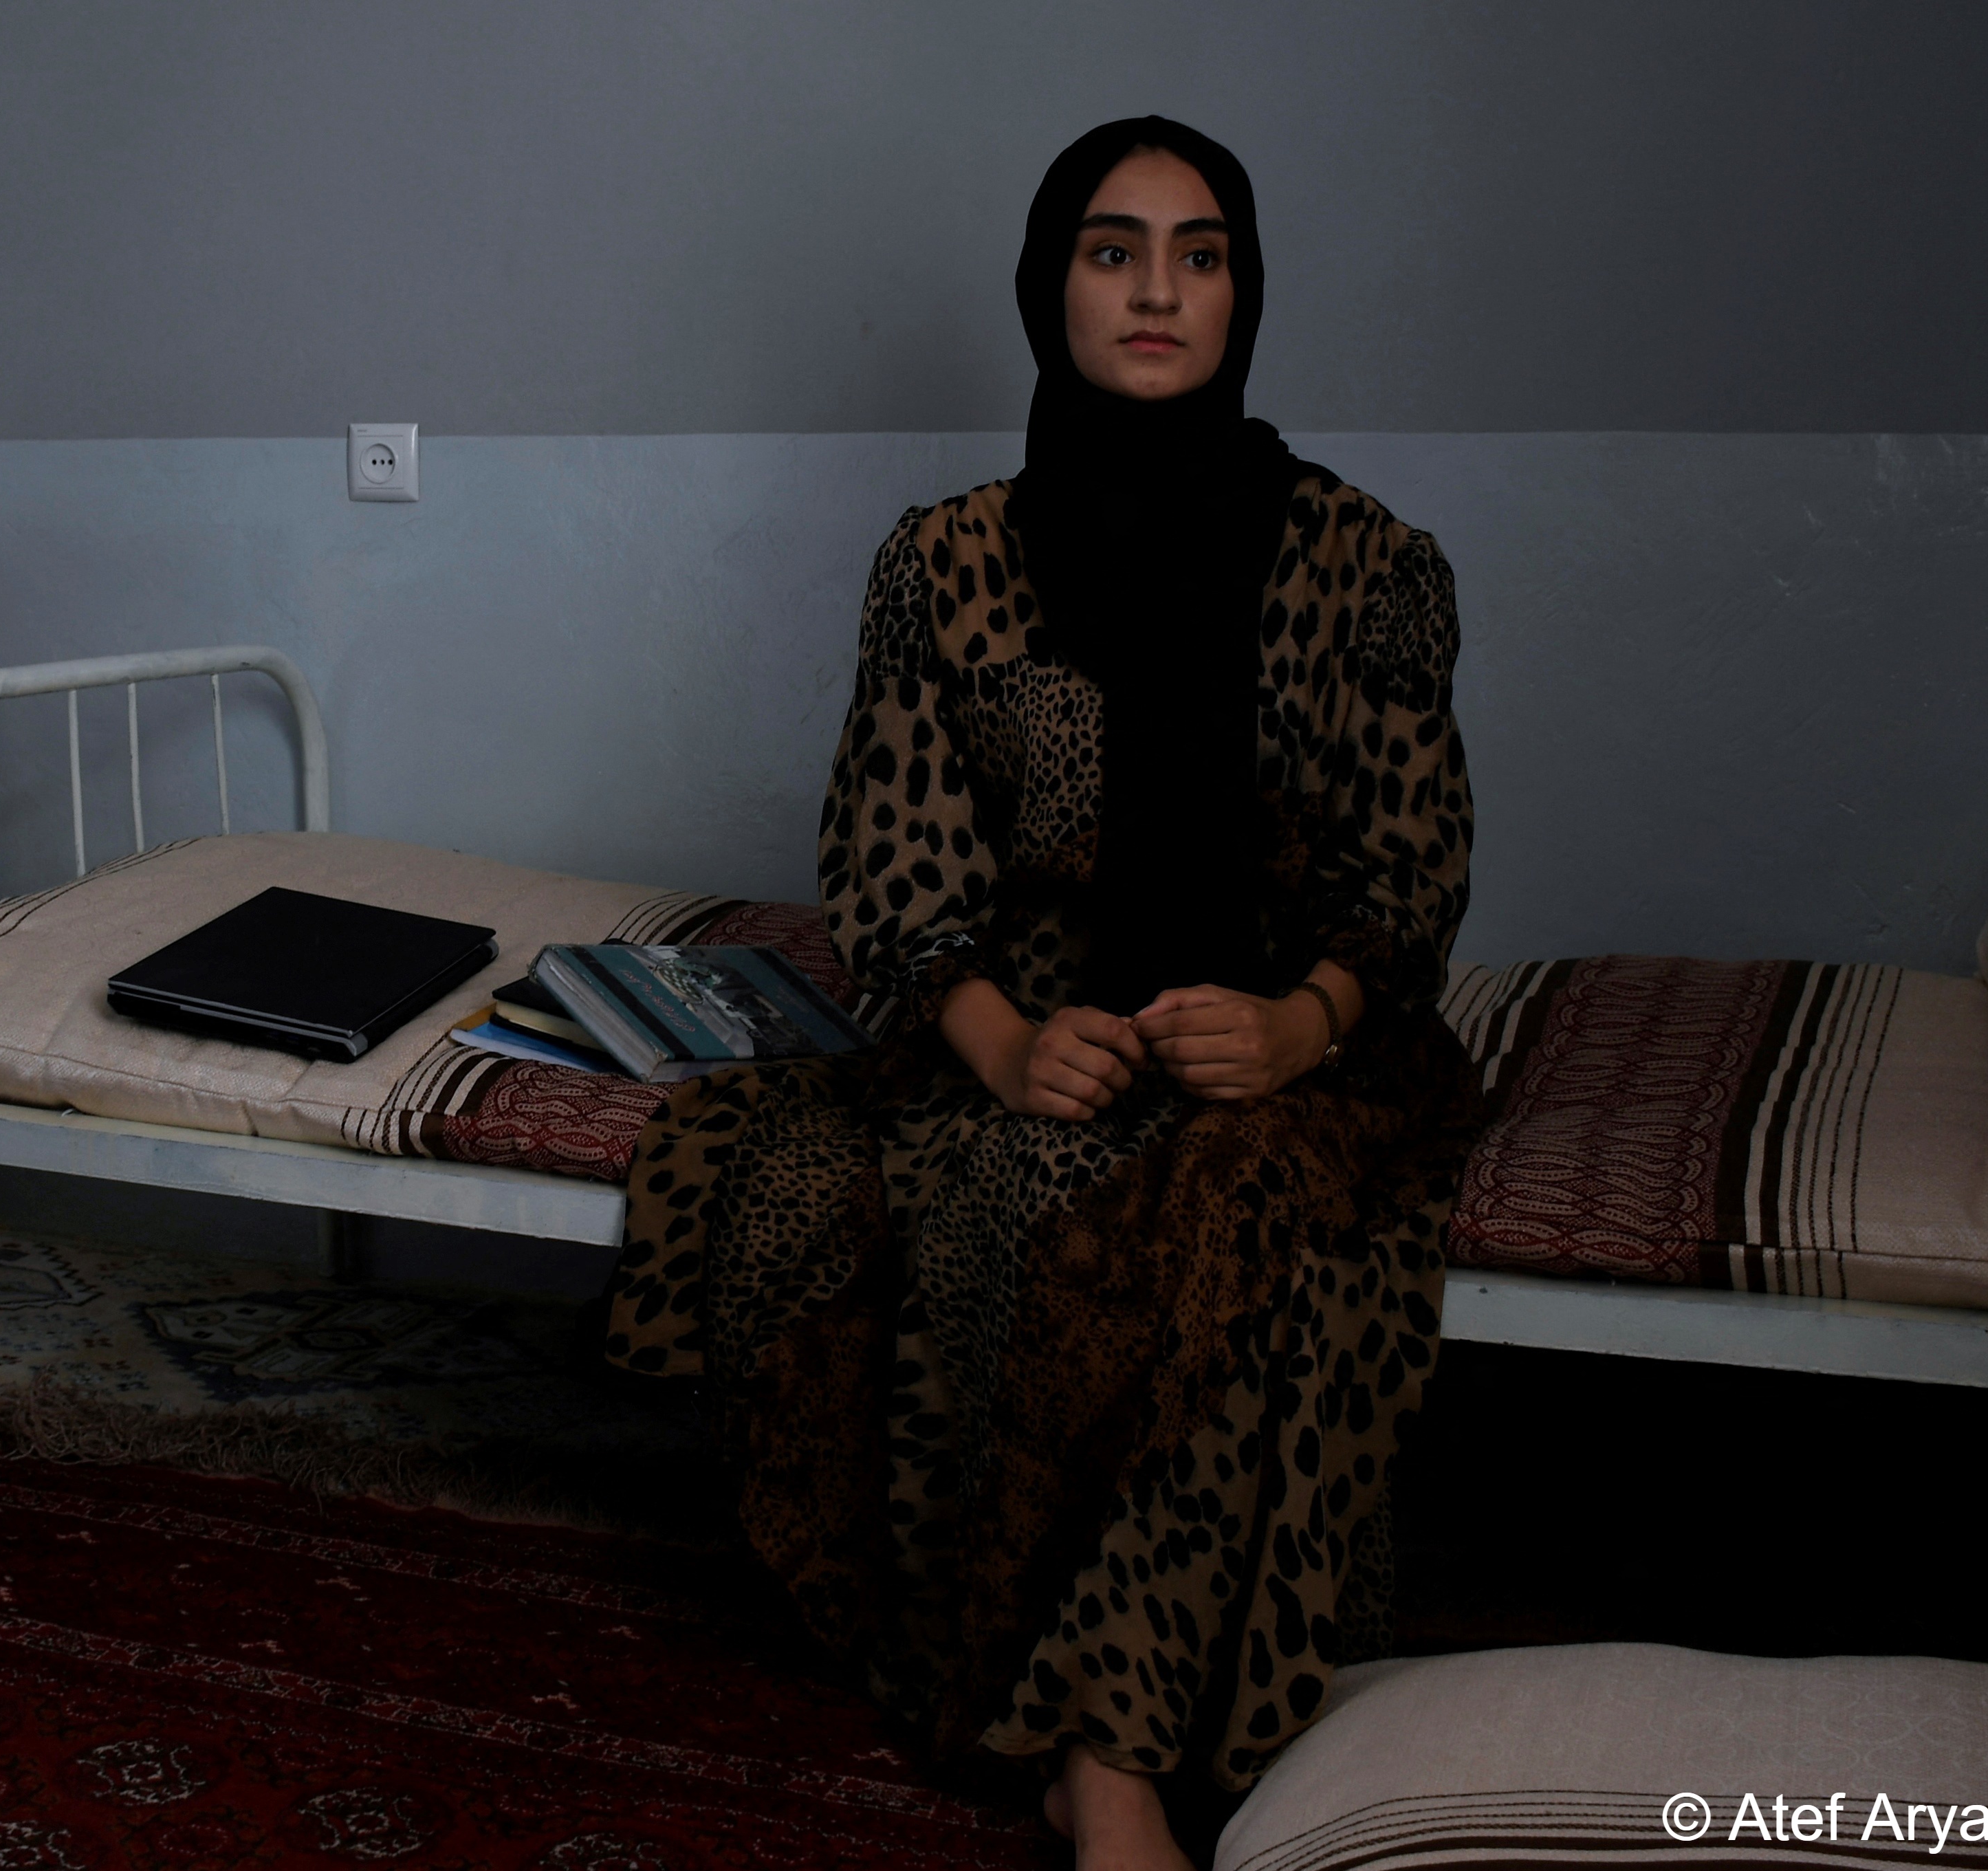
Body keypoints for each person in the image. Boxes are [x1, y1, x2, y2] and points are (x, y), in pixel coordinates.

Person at [600, 117, 1483, 1870]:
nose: (1157, 289)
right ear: (1047, 284)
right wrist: (1002, 1039)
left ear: (1243, 287)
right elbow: (892, 872)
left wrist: (1296, 1022)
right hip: (1023, 1050)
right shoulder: (948, 565)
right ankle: (1067, 1715)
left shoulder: (1365, 564)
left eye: (1200, 250)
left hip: (1303, 1052)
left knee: (1261, 1230)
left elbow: (1409, 869)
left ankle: (1103, 1745)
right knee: (929, 1191)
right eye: (1110, 248)